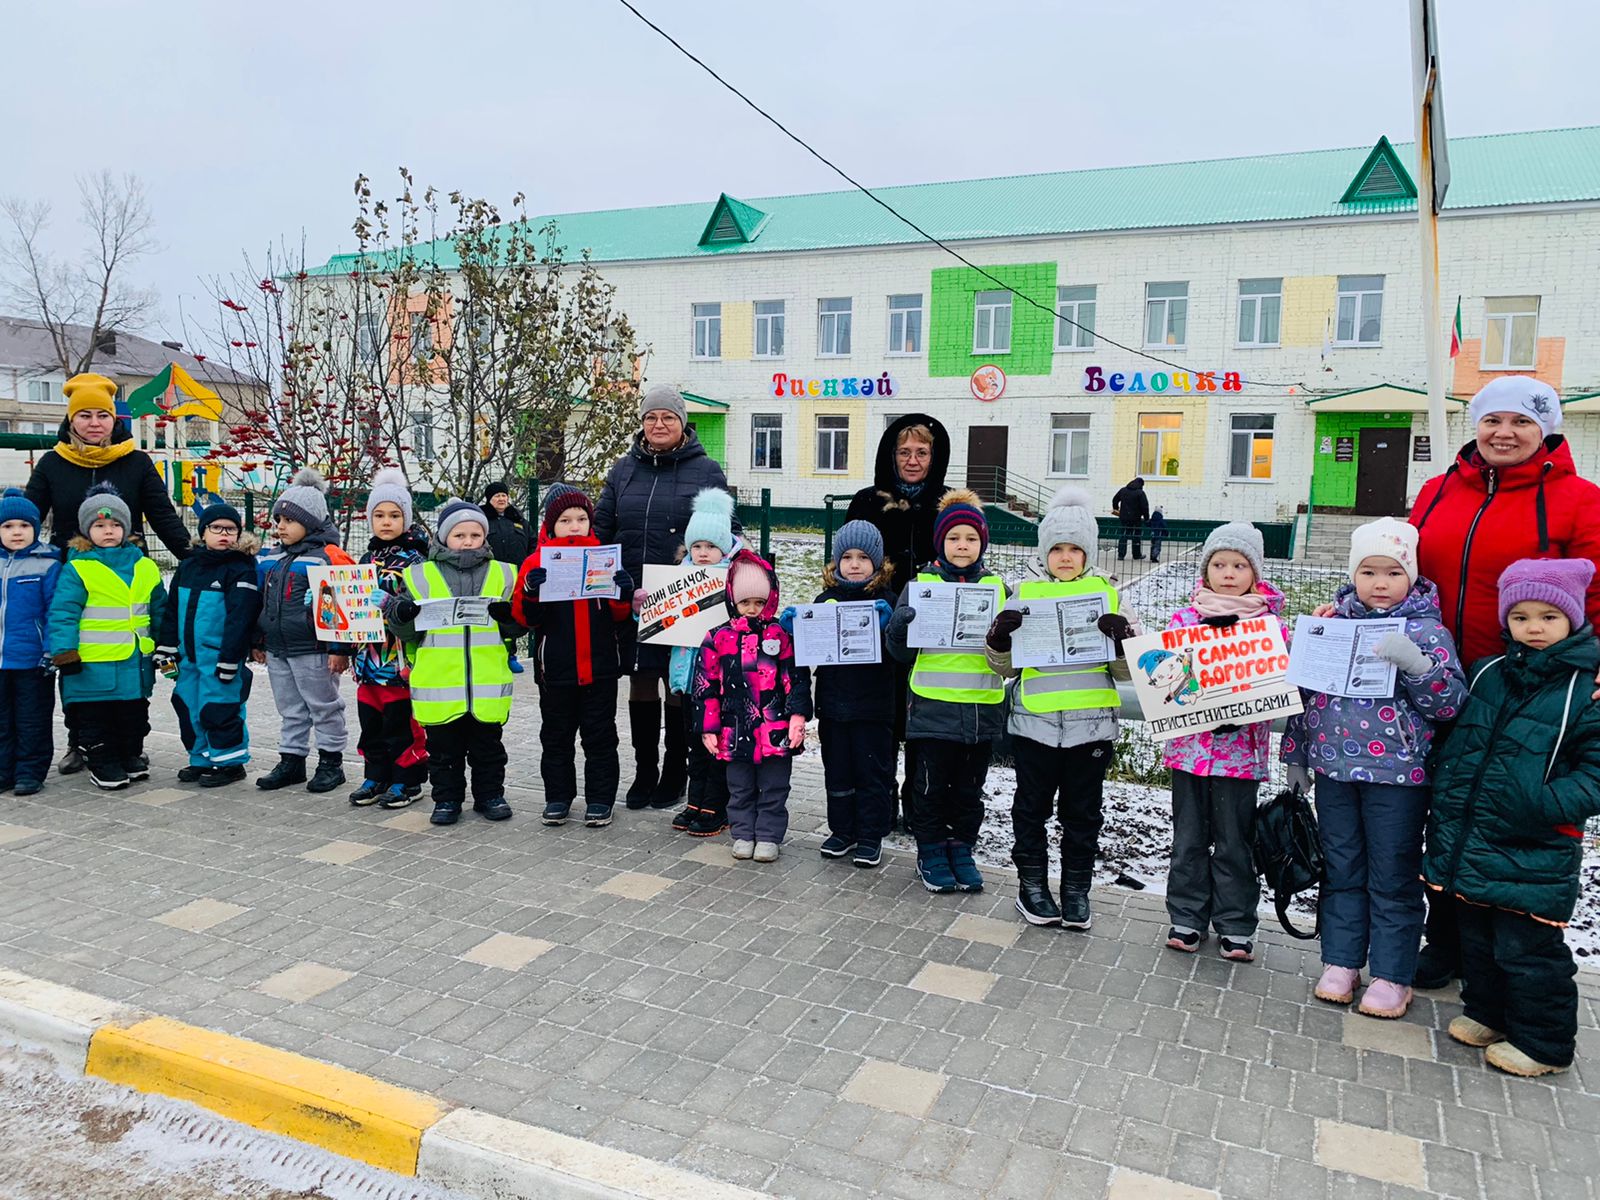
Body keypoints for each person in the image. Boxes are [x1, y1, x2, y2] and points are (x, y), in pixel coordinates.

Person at [1409, 376, 1600, 990]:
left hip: (1525, 692)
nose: (1505, 432)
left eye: (1522, 421)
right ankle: (1445, 940)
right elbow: (1399, 570)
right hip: (1431, 685)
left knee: (1497, 819)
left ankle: (1499, 959)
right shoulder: (1438, 490)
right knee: (1445, 813)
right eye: (1493, 420)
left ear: (1546, 430)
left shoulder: (1579, 500)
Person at [1282, 518, 1466, 1019]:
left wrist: (1418, 666)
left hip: (1398, 777)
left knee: (1392, 874)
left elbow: (1449, 705)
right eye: (1368, 572)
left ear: (1411, 575)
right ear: (1353, 574)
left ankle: (1391, 974)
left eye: (1392, 572)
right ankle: (1342, 961)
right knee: (1342, 868)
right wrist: (1296, 754)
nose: (1380, 583)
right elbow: (1306, 694)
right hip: (1334, 771)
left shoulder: (1427, 631)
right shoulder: (1332, 624)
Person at [1424, 558, 1600, 1077]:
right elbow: (1458, 736)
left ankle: (1544, 1044)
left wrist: (1543, 805)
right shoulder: (1488, 672)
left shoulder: (1584, 689)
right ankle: (1489, 1014)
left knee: (1527, 949)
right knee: (1478, 938)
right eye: (1521, 617)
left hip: (1533, 845)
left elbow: (1594, 772)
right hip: (1472, 837)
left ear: (1572, 618)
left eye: (1549, 616)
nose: (1534, 627)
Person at [985, 488, 1140, 930]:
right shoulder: (1023, 594)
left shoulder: (1110, 595)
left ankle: (1076, 891)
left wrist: (1123, 643)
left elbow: (1129, 673)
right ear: (1044, 552)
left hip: (1091, 730)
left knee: (1083, 814)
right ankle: (1032, 886)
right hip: (1034, 725)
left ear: (1088, 552)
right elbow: (1004, 668)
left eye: (1075, 549)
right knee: (1030, 810)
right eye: (1057, 549)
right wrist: (999, 640)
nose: (1066, 557)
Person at [24, 372, 191, 776]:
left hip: (128, 575)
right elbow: (29, 516)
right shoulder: (53, 463)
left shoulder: (135, 462)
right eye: (85, 415)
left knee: (131, 658)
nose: (94, 423)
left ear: (114, 420)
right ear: (71, 420)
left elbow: (163, 514)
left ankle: (129, 743)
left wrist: (193, 557)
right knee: (76, 656)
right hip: (75, 576)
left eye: (103, 415)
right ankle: (80, 741)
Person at [594, 386, 738, 811]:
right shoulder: (623, 470)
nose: (659, 424)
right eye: (651, 417)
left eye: (668, 417)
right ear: (642, 423)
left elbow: (727, 535)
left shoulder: (706, 470)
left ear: (682, 423)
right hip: (634, 596)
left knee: (679, 682)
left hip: (685, 598)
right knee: (641, 679)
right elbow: (602, 530)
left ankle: (677, 770)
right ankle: (645, 770)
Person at [1161, 522, 1286, 962]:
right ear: (1206, 571)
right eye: (1219, 565)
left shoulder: (1269, 626)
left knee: (1235, 840)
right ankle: (1186, 916)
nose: (1228, 573)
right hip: (1189, 753)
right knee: (1188, 838)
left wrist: (1245, 713)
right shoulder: (1184, 620)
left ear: (1255, 572)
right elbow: (1167, 681)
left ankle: (1235, 922)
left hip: (1240, 757)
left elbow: (1279, 685)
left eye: (1239, 565)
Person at [885, 489, 1007, 895]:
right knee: (929, 788)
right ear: (940, 542)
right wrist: (898, 628)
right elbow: (901, 653)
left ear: (982, 543)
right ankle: (931, 851)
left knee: (969, 791)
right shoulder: (921, 584)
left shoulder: (997, 588)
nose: (962, 545)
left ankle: (961, 849)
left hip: (980, 711)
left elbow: (1009, 657)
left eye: (971, 538)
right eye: (954, 538)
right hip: (932, 710)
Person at [844, 414, 954, 829]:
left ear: (935, 457)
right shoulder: (867, 502)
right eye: (904, 452)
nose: (912, 460)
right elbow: (848, 561)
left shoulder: (949, 505)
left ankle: (919, 801)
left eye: (922, 452)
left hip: (932, 628)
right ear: (890, 455)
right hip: (875, 624)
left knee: (922, 718)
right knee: (882, 717)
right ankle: (881, 799)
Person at [386, 498, 523, 827]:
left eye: (475, 535)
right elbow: (405, 628)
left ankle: (490, 795)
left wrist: (510, 617)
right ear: (444, 537)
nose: (468, 542)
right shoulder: (420, 575)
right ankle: (447, 799)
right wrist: (402, 614)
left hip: (486, 683)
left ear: (485, 537)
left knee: (488, 749)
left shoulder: (504, 573)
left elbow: (519, 626)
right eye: (459, 535)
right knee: (443, 751)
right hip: (439, 684)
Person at [511, 484, 633, 829]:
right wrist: (531, 591)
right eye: (565, 520)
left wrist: (622, 592)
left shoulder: (603, 558)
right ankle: (558, 797)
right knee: (556, 737)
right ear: (551, 526)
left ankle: (600, 799)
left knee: (600, 737)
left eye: (581, 518)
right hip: (556, 670)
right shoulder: (536, 562)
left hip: (599, 668)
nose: (574, 526)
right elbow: (525, 619)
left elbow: (619, 615)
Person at [781, 519, 897, 869]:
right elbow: (809, 650)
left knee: (872, 773)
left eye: (863, 557)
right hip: (833, 705)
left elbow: (900, 655)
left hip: (874, 707)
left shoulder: (886, 600)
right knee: (838, 771)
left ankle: (871, 835)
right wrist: (794, 630)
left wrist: (890, 629)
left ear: (877, 562)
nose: (855, 564)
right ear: (836, 561)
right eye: (847, 557)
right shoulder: (824, 600)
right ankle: (842, 830)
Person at [46, 484, 165, 791]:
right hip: (92, 663)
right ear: (87, 531)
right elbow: (63, 612)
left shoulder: (145, 566)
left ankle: (128, 755)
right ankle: (103, 762)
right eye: (100, 526)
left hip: (135, 661)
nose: (108, 531)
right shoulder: (78, 568)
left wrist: (166, 646)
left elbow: (159, 610)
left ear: (126, 529)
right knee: (96, 719)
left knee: (133, 715)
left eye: (115, 525)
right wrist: (64, 651)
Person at [693, 549, 810, 863]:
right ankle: (743, 833)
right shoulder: (718, 638)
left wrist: (797, 717)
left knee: (774, 787)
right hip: (735, 728)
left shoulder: (781, 636)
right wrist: (708, 728)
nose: (753, 609)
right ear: (733, 600)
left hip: (775, 728)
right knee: (740, 786)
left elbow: (795, 678)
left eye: (760, 602)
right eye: (745, 602)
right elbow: (706, 686)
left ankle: (769, 835)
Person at [252, 469, 353, 794]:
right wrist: (258, 640)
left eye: (289, 520)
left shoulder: (328, 558)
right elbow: (260, 601)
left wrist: (339, 649)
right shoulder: (272, 557)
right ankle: (291, 760)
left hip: (314, 649)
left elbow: (344, 606)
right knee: (290, 708)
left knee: (323, 706)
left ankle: (331, 762)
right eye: (278, 519)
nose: (280, 526)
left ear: (311, 522)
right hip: (278, 648)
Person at [154, 501, 262, 787]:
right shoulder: (189, 566)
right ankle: (201, 758)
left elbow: (240, 618)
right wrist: (166, 648)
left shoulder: (240, 568)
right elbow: (172, 610)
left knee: (219, 708)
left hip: (218, 658)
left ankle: (230, 763)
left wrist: (231, 658)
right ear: (203, 532)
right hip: (187, 658)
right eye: (216, 528)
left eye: (231, 529)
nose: (224, 534)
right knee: (187, 706)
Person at [347, 470, 430, 808]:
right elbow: (349, 604)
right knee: (371, 723)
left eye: (394, 515)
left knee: (401, 724)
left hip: (399, 660)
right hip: (366, 659)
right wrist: (325, 602)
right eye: (379, 515)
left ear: (405, 519)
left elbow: (420, 607)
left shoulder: (416, 561)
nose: (386, 522)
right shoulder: (366, 559)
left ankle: (407, 779)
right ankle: (376, 774)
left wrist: (394, 605)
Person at [667, 488, 739, 837]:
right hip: (687, 675)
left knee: (716, 743)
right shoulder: (676, 578)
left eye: (711, 546)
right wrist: (644, 609)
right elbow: (659, 621)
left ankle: (716, 804)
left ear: (724, 548)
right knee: (693, 741)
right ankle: (696, 800)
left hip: (720, 680)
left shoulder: (736, 579)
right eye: (697, 546)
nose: (703, 553)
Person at [0, 489, 61, 795]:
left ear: (36, 528)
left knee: (32, 719)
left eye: (24, 526)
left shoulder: (47, 563)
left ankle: (30, 771)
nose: (16, 532)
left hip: (32, 659)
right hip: (1, 660)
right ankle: (3, 770)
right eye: (8, 526)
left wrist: (51, 650)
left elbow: (54, 611)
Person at [482, 480, 531, 674]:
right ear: (489, 499)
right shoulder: (482, 520)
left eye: (504, 495)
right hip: (491, 578)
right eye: (497, 496)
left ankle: (510, 655)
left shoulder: (518, 520)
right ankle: (491, 654)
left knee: (512, 615)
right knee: (492, 615)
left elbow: (532, 543)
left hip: (516, 577)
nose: (501, 499)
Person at [1111, 477, 1149, 561]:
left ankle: (1121, 555)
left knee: (1123, 536)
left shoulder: (1123, 490)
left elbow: (1115, 499)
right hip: (1136, 519)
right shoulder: (1140, 493)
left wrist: (1116, 509)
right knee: (1136, 536)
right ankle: (1136, 554)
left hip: (1124, 518)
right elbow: (1144, 507)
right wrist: (1146, 518)